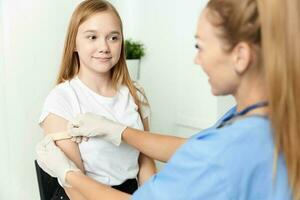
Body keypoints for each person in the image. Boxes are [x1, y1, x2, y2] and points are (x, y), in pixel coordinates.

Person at [36, 0, 300, 199]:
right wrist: (121, 132)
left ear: (241, 56)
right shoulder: (254, 121)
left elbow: (185, 157)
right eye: (92, 36)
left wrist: (67, 173)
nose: (197, 60)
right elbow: (191, 148)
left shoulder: (222, 152)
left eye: (200, 47)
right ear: (74, 43)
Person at [38, 0, 156, 199]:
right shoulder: (61, 101)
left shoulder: (135, 93)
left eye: (113, 37)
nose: (104, 47)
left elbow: (146, 160)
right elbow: (76, 191)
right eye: (92, 37)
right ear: (74, 43)